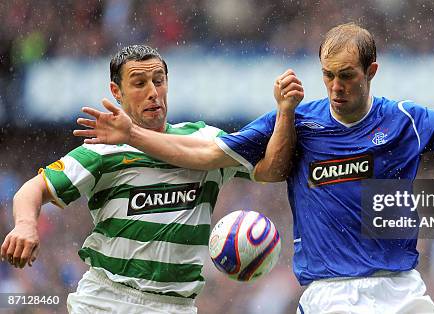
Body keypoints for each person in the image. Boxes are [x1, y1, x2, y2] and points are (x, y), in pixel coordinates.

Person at [72, 24, 434, 313]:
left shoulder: (403, 121)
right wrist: (134, 135)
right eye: (327, 75)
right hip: (332, 295)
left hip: (401, 290)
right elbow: (208, 154)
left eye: (347, 75)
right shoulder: (297, 122)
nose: (335, 87)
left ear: (371, 70)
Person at [0, 45, 303, 313]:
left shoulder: (205, 140)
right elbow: (33, 189)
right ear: (116, 92)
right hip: (107, 300)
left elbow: (273, 171)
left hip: (176, 305)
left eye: (159, 81)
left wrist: (284, 111)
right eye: (139, 83)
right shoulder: (103, 150)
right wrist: (25, 225)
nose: (152, 92)